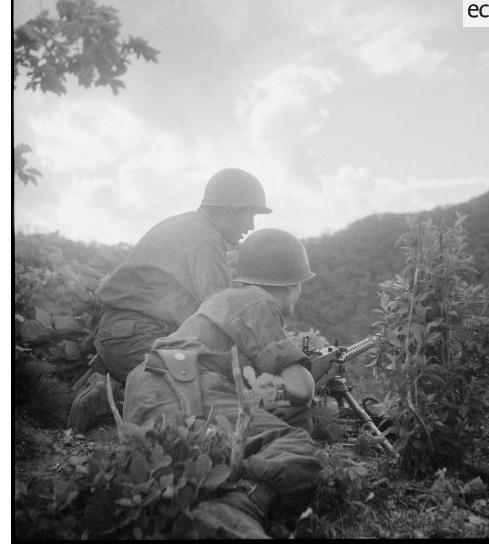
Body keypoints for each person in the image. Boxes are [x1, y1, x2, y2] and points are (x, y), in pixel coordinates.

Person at [123, 229, 321, 538]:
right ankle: (233, 510)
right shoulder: (257, 301)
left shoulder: (225, 299)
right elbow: (301, 389)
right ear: (292, 284)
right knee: (295, 446)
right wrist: (307, 373)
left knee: (287, 422)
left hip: (149, 392)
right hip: (184, 389)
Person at [68, 168, 272, 433]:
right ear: (230, 209)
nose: (251, 226)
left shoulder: (185, 224)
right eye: (250, 214)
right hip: (138, 337)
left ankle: (111, 389)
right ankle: (107, 402)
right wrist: (261, 358)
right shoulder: (206, 241)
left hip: (117, 334)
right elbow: (223, 318)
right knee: (210, 387)